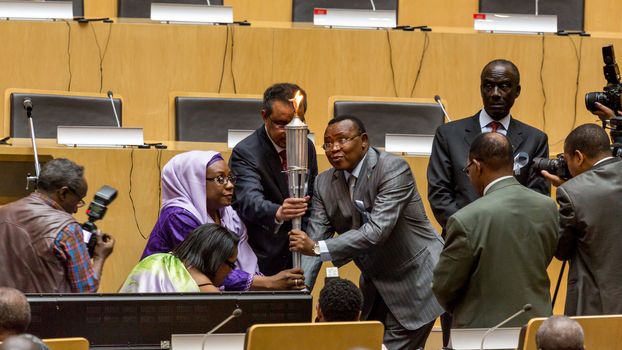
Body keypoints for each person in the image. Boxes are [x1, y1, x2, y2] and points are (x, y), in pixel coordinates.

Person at [290, 116, 444, 349]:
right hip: (375, 285)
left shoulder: (392, 169)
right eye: (328, 143)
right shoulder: (323, 183)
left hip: (415, 281)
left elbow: (376, 231)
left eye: (342, 140)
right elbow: (315, 239)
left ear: (363, 141)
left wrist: (316, 247)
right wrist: (300, 296)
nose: (334, 149)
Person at [432, 132, 558, 328]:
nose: (469, 176)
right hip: (535, 327)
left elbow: (444, 286)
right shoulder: (548, 207)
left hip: (481, 334)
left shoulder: (465, 219)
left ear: (477, 166)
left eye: (468, 170)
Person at [141, 151, 304, 291]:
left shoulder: (227, 214)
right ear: (195, 182)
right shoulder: (178, 216)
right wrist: (269, 283)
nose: (230, 185)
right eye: (220, 179)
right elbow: (210, 268)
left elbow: (240, 261)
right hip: (163, 296)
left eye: (230, 177)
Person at [427, 59, 550, 235]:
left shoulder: (535, 139)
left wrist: (502, 234)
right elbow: (439, 194)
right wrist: (469, 230)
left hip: (511, 240)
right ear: (481, 89)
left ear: (517, 91)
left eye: (504, 86)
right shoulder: (448, 135)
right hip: (462, 238)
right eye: (488, 86)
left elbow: (537, 196)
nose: (495, 93)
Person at [230, 82, 318, 276]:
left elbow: (311, 195)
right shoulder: (246, 152)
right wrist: (279, 211)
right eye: (281, 124)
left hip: (299, 253)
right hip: (261, 255)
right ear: (264, 116)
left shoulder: (307, 146)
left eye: (296, 122)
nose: (290, 132)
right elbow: (248, 200)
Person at [541, 124, 622, 316]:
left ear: (578, 156)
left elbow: (561, 250)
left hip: (597, 306)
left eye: (566, 159)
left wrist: (571, 191)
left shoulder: (573, 192)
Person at [0, 158, 115, 293]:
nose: (77, 209)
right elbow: (85, 291)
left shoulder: (3, 212)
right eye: (79, 200)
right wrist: (99, 257)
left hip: (6, 310)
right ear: (63, 193)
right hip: (47, 312)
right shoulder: (68, 229)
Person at [122, 224, 238, 292]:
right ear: (215, 259)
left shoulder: (154, 260)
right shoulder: (208, 292)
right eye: (231, 265)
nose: (231, 271)